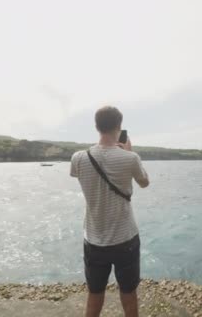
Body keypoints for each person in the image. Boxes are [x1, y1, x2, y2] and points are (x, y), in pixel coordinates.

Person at [70, 106, 150, 317]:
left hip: (95, 240)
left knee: (95, 293)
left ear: (97, 127)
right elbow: (145, 183)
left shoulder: (78, 158)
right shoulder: (130, 158)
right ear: (119, 127)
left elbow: (78, 176)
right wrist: (129, 153)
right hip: (125, 239)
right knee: (128, 292)